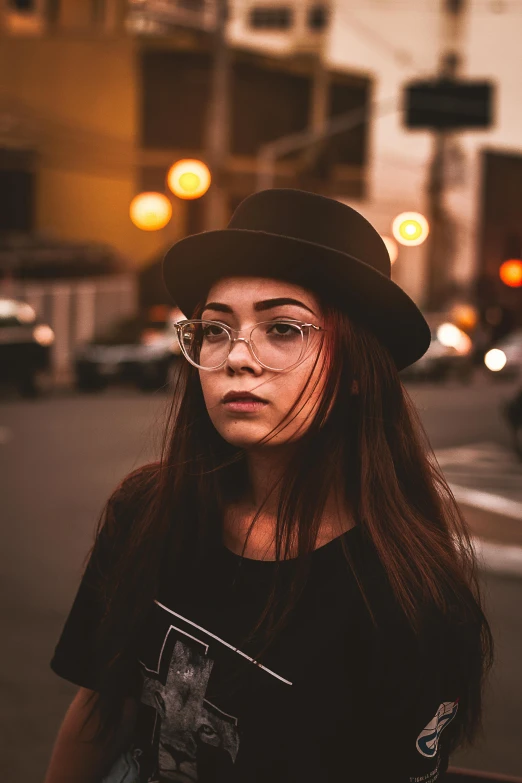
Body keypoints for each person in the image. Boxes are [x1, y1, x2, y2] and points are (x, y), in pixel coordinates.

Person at [45, 189, 493, 783]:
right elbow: (101, 709)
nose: (237, 357)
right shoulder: (146, 510)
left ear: (358, 369)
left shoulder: (408, 596)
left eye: (282, 327)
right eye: (215, 329)